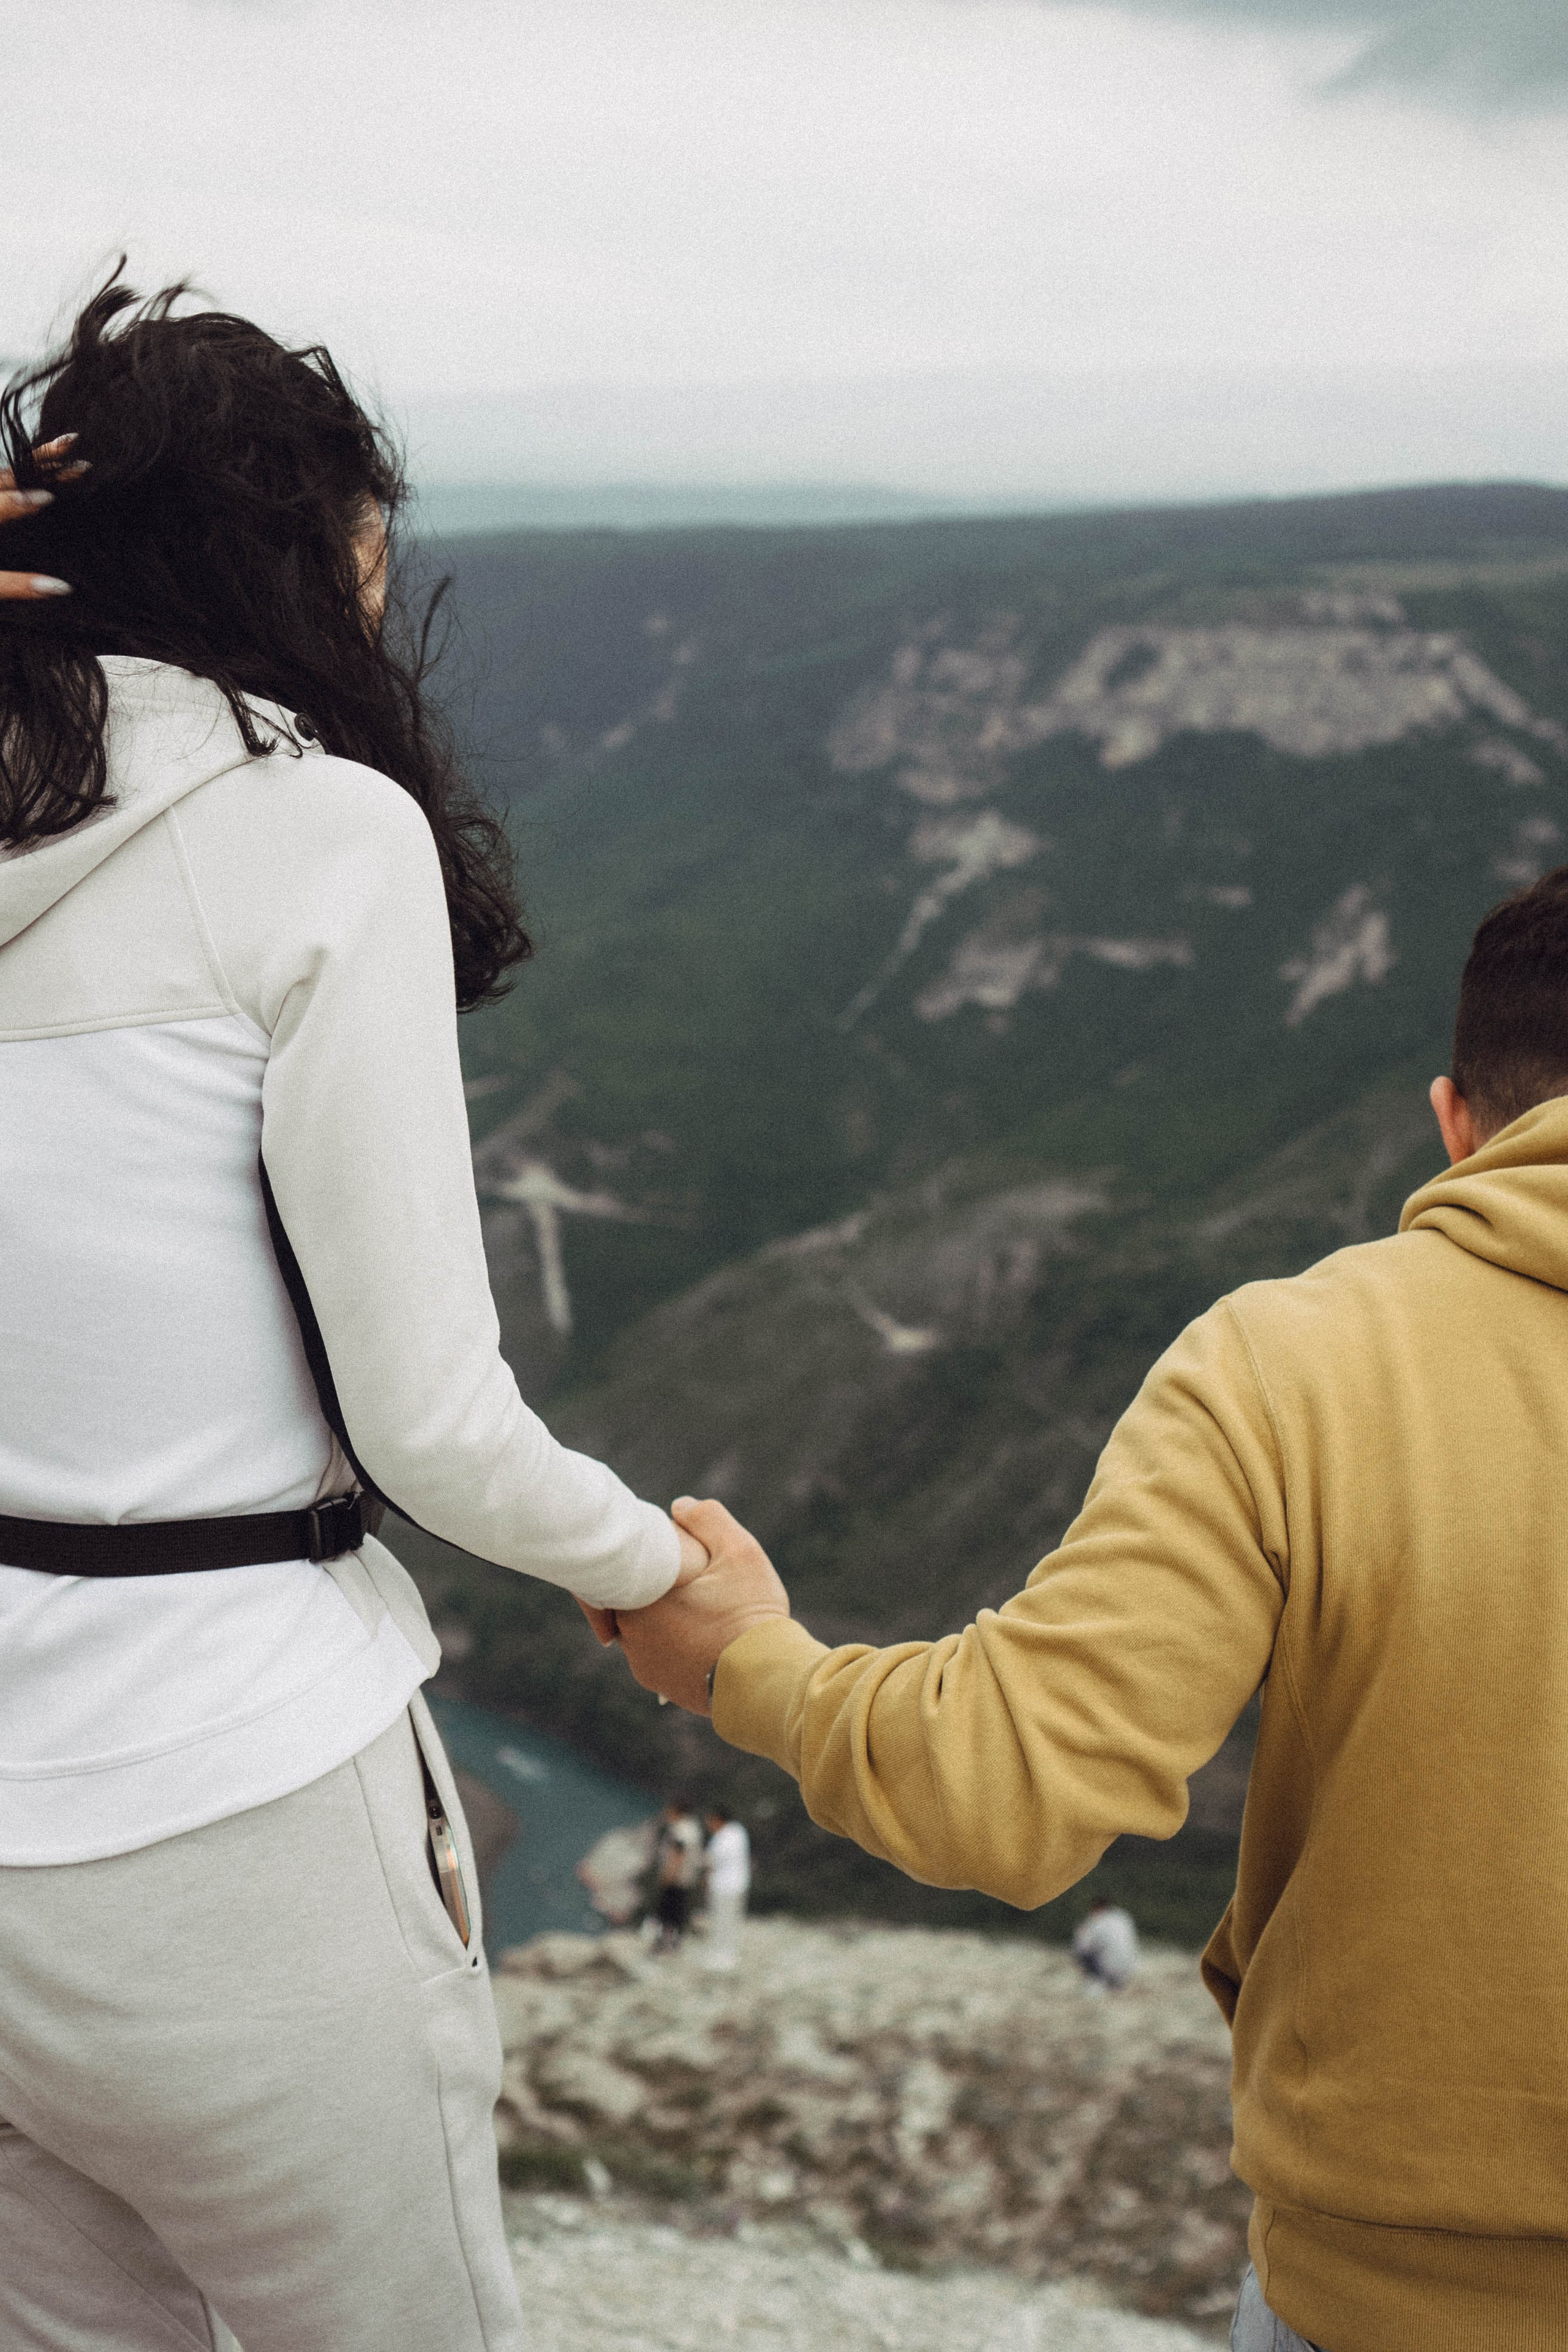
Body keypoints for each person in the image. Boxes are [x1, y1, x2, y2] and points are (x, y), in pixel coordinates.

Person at [0, 277, 707, 2352]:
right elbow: (430, 1422)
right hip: (231, 1810)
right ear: (297, 555)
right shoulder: (314, 833)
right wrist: (668, 1574)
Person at [596, 862, 1568, 2352]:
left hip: (1396, 2303)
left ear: (1453, 1122)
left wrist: (741, 1660)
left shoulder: (1296, 1365)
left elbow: (1003, 1789)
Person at [701, 1804, 751, 1972]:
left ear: (717, 1820)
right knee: (731, 1921)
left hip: (725, 1886)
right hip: (739, 1884)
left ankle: (723, 1958)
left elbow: (712, 1861)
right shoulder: (739, 1831)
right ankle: (728, 1954)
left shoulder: (722, 1837)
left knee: (722, 1922)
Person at [651, 1798, 705, 1951]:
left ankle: (665, 1941)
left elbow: (678, 1854)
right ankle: (675, 1940)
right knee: (679, 1909)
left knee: (669, 1909)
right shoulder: (694, 1828)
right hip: (687, 1877)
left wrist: (669, 1875)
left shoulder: (681, 1829)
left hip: (677, 1878)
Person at [1071, 1898, 1138, 1996]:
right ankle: (1117, 1985)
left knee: (1083, 1954)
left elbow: (1082, 1947)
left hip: (1107, 1969)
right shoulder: (1123, 1916)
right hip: (1129, 1969)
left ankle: (1096, 1984)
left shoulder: (1096, 1920)